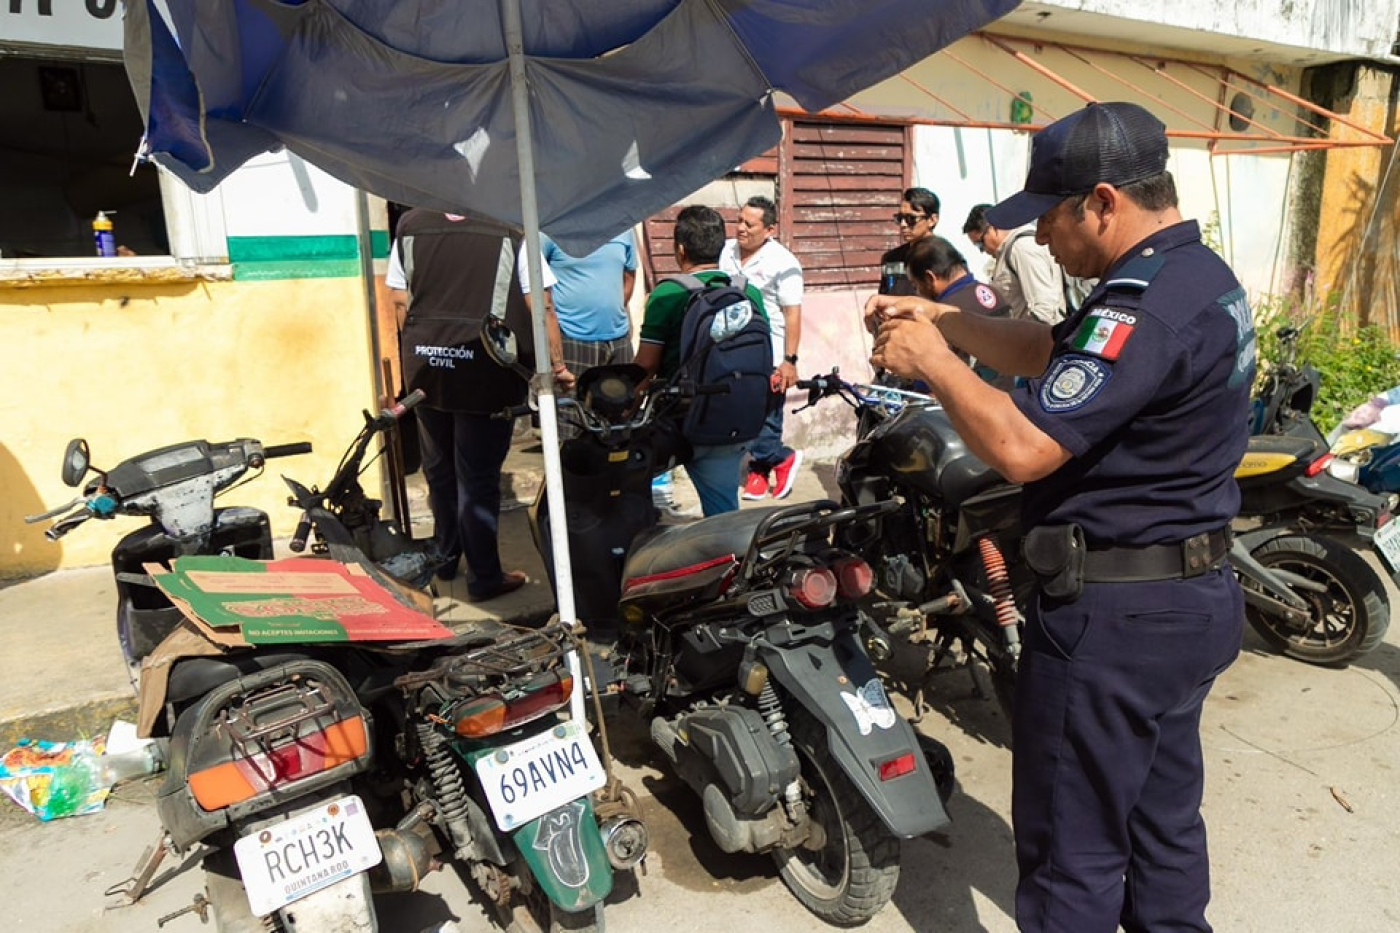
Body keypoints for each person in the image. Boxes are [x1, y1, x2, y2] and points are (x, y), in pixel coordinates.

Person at [866, 102, 1254, 932]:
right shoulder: (1195, 277)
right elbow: (1053, 352)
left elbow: (1024, 446)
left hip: (1116, 616)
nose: (1039, 236)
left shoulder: (1140, 305)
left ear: (1103, 202)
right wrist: (946, 320)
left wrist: (933, 362)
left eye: (1049, 216)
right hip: (1191, 599)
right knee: (1163, 821)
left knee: (1071, 853)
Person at [387, 209, 562, 601]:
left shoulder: (411, 226)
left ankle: (445, 557)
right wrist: (558, 366)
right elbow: (542, 307)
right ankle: (484, 577)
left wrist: (414, 358)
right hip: (486, 367)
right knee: (477, 477)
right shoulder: (512, 229)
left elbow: (399, 300)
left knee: (440, 469)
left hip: (427, 365)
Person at [635, 205, 769, 517]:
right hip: (733, 420)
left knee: (629, 485)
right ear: (721, 246)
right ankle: (729, 561)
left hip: (678, 423)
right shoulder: (748, 292)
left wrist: (626, 407)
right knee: (723, 516)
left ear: (680, 249)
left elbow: (645, 365)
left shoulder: (667, 294)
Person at [719, 196, 805, 500]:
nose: (740, 228)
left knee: (767, 414)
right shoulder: (726, 251)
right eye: (739, 220)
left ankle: (773, 461)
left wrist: (789, 361)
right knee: (739, 412)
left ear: (769, 230)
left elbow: (792, 313)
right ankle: (772, 459)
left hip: (770, 351)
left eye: (749, 224)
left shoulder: (783, 263)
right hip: (731, 348)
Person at [526, 230, 638, 383]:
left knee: (622, 405)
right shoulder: (550, 228)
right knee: (571, 406)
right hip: (571, 341)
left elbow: (629, 278)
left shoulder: (624, 228)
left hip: (619, 342)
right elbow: (535, 290)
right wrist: (558, 362)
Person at [903, 235, 1014, 390]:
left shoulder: (944, 314)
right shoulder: (995, 293)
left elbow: (930, 377)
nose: (917, 292)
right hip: (1009, 398)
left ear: (930, 278)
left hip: (974, 405)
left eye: (916, 285)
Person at [963, 202, 1068, 324]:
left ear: (993, 229)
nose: (982, 251)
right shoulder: (1008, 251)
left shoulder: (1021, 248)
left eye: (980, 244)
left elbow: (1044, 307)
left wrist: (1026, 340)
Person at [878, 186, 940, 296]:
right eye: (899, 218)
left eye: (911, 219)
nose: (903, 225)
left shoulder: (947, 259)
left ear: (932, 220)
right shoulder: (891, 259)